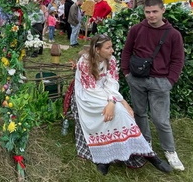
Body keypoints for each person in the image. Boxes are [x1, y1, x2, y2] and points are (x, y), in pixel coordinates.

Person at [72, 34, 172, 175]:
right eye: (108, 47)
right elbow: (91, 88)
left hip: (106, 93)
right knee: (118, 110)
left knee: (119, 110)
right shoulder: (85, 62)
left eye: (111, 46)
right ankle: (107, 157)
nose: (112, 50)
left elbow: (112, 82)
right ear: (97, 49)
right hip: (88, 95)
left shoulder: (111, 60)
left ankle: (145, 152)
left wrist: (114, 101)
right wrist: (117, 101)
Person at [121, 0, 185, 171]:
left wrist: (170, 81)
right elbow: (126, 50)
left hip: (160, 81)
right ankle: (145, 142)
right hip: (137, 79)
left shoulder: (173, 34)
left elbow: (178, 59)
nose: (151, 15)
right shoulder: (136, 29)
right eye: (147, 12)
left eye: (154, 11)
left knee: (161, 119)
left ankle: (170, 151)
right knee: (140, 113)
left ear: (163, 10)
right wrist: (126, 73)